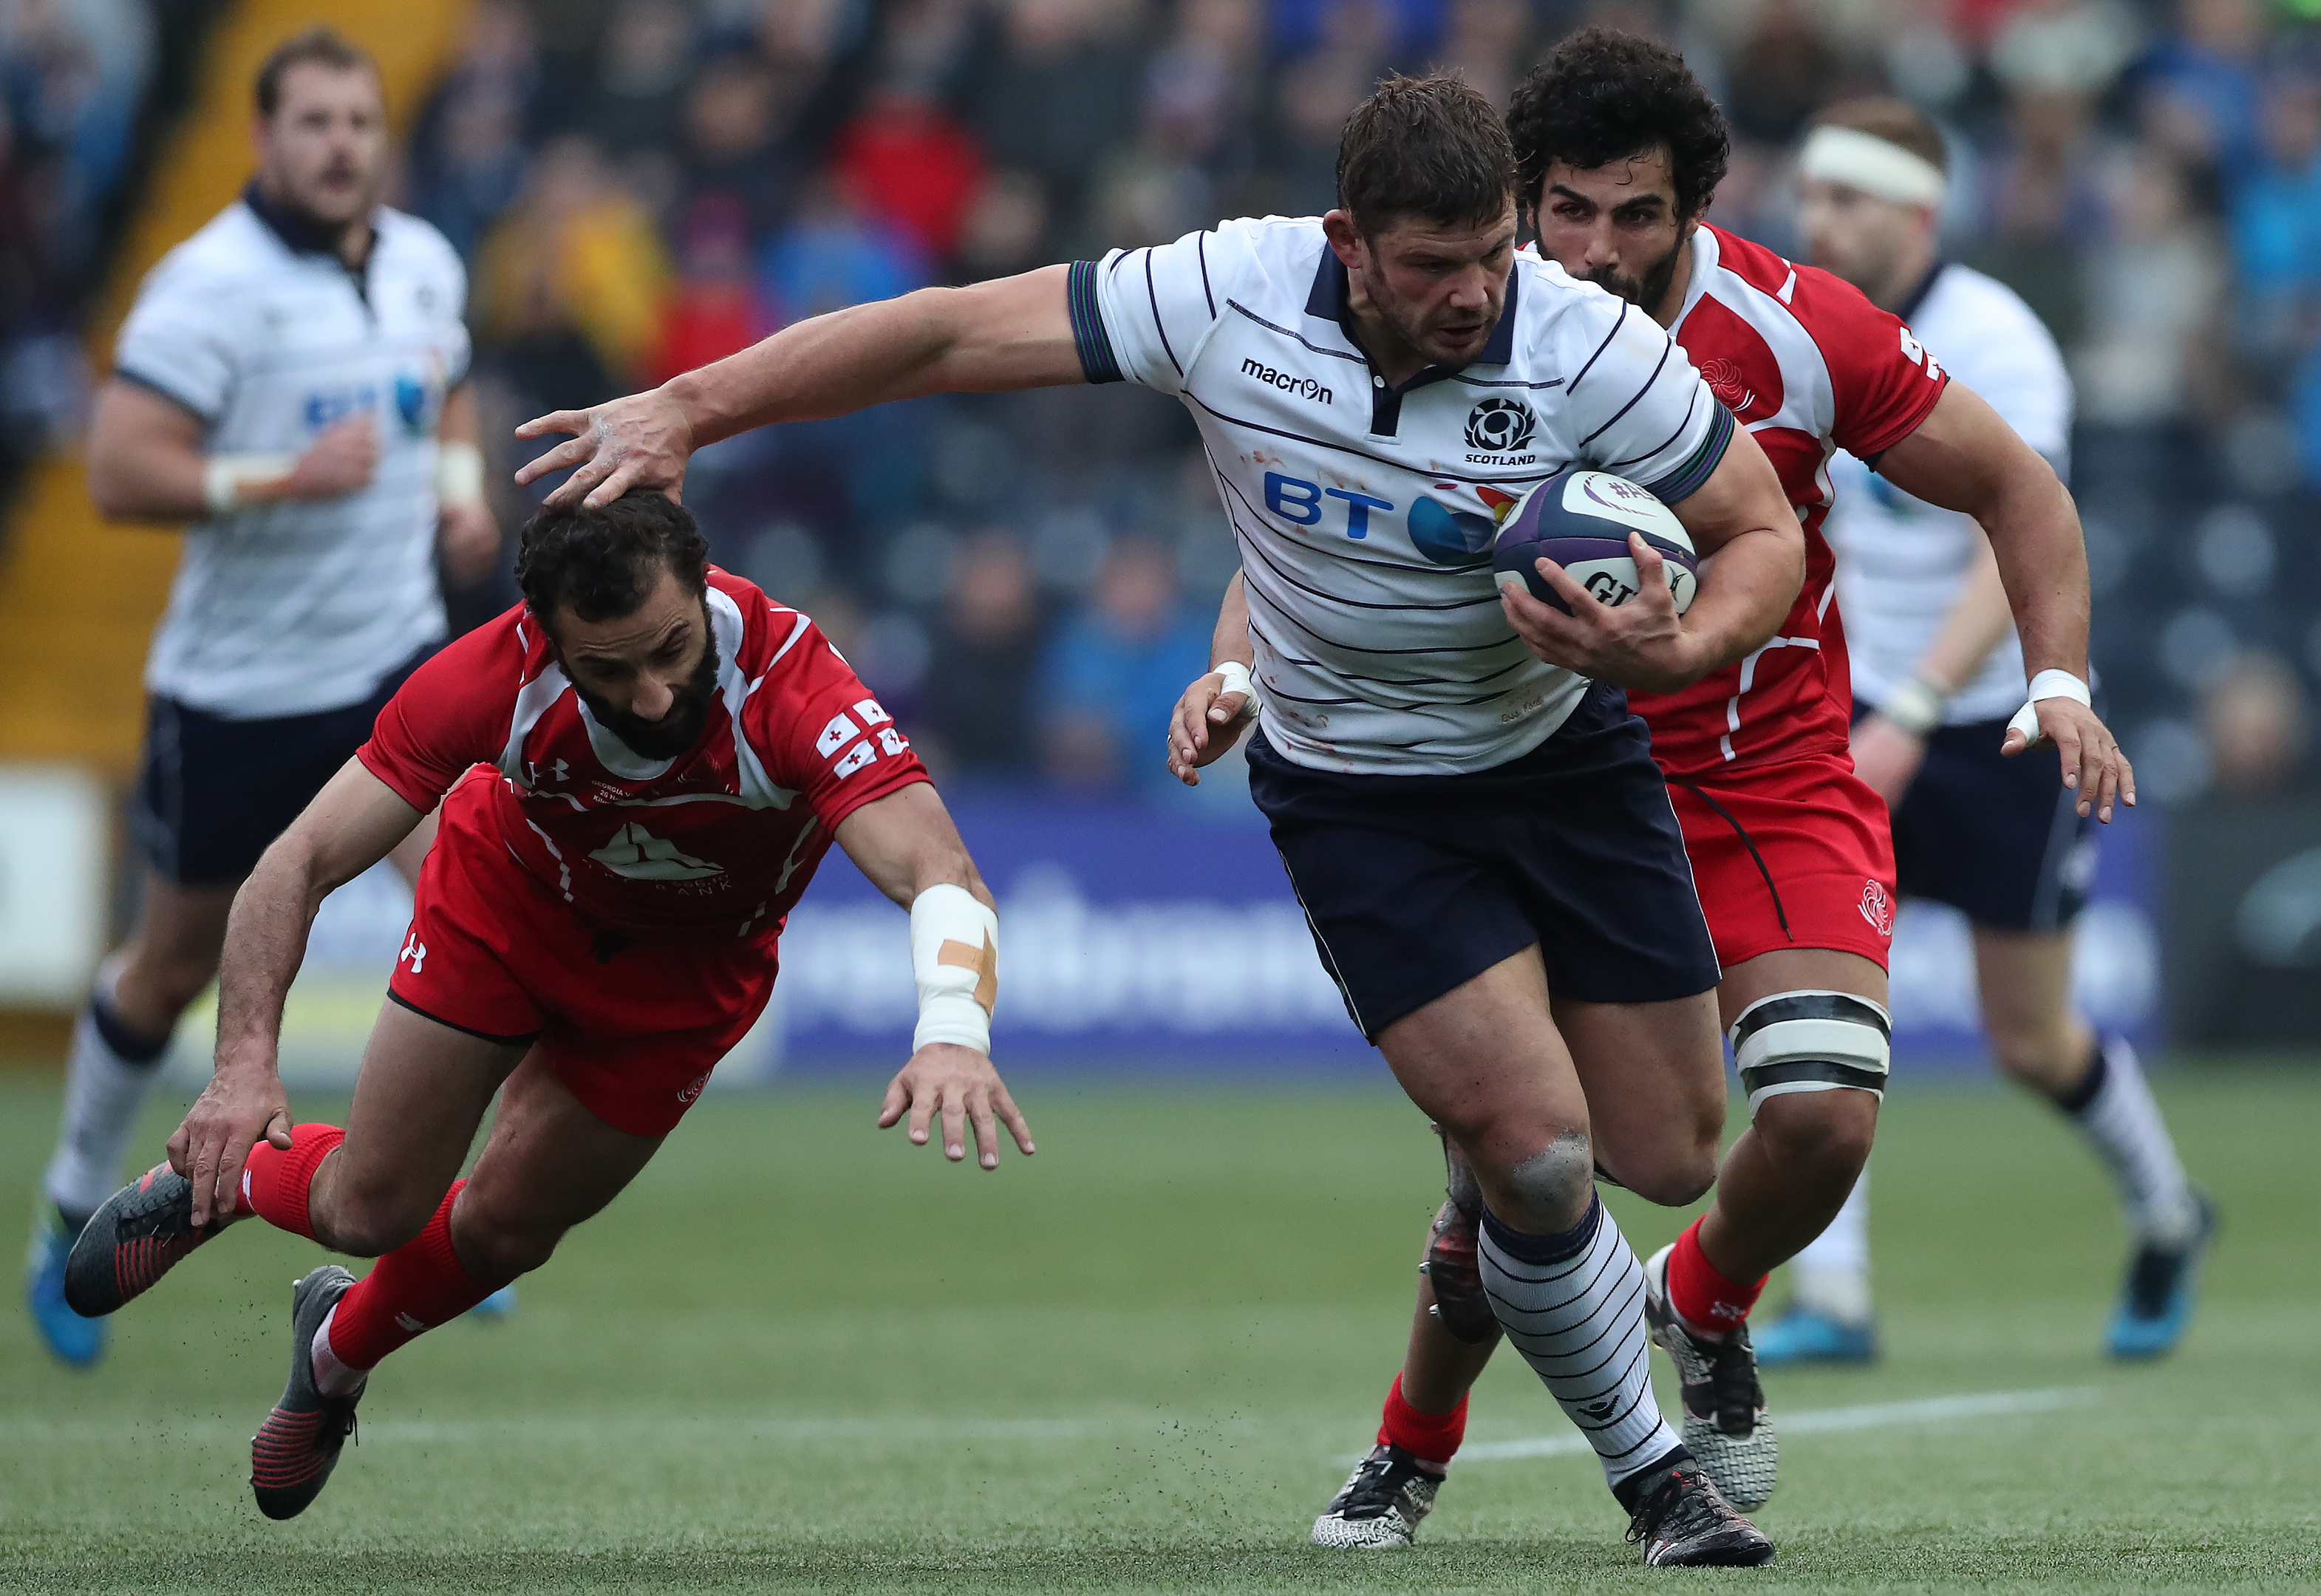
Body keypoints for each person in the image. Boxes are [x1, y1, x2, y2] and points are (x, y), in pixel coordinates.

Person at [515, 71, 1813, 1570]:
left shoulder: (1588, 347)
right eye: (1428, 265)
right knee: (1534, 1155)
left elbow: (1758, 533)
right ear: (1345, 241)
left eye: (1489, 256)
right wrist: (694, 402)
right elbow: (941, 332)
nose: (1469, 296)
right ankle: (1653, 1481)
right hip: (1356, 787)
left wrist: (1678, 650)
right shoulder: (1218, 290)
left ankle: (1501, 1233)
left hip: (1562, 752)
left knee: (1666, 1156)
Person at [1200, 31, 2135, 1548]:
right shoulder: (1466, 324)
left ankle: (1698, 1305)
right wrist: (1236, 665)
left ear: (1694, 207)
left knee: (1823, 1121)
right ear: (1516, 205)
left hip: (1761, 773)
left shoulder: (1797, 328)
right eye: (1564, 212)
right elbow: (1331, 540)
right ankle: (1409, 1445)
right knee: (1512, 1156)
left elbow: (2016, 486)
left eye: (1635, 216)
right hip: (1551, 774)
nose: (1596, 248)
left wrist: (2056, 682)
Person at [64, 491, 1032, 1521]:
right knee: (372, 1208)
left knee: (507, 1231)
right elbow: (296, 860)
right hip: (505, 913)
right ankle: (230, 1177)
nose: (655, 695)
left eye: (671, 648)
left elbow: (941, 874)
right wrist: (242, 1068)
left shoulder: (792, 684)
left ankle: (334, 1353)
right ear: (545, 638)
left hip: (684, 980)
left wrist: (952, 1036)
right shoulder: (492, 675)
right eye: (610, 670)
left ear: (703, 592)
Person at [25, 27, 502, 1368]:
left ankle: (445, 1218)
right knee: (174, 965)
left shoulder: (421, 259)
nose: (342, 142)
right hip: (239, 692)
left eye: (359, 120)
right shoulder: (205, 289)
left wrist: (458, 498)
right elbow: (121, 471)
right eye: (314, 123)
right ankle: (71, 1196)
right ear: (264, 139)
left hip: (393, 674)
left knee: (484, 921)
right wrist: (271, 482)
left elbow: (445, 391)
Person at [1759, 98, 2214, 1368]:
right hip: (1840, 707)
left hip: (1991, 721)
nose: (1819, 221)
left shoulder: (1992, 339)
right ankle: (1833, 1295)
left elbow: (2012, 539)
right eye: (1810, 197)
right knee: (1816, 991)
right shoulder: (1793, 327)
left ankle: (2168, 1213)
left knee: (2030, 1040)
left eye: (1848, 200)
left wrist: (1911, 706)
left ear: (1917, 215)